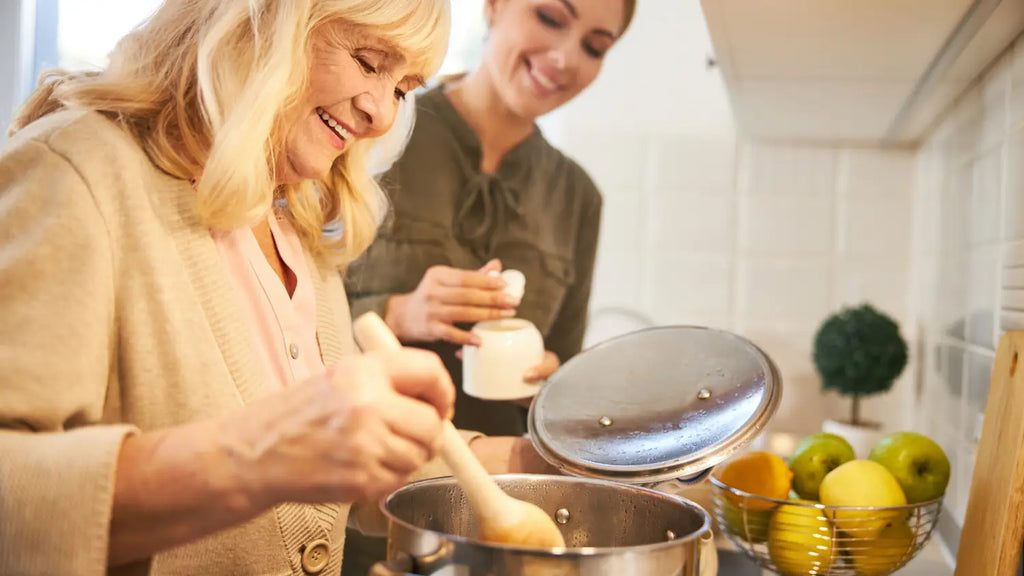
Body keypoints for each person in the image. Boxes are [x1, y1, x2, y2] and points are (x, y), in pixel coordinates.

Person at [0, 1, 550, 574]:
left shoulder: (290, 219)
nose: (381, 115)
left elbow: (341, 471)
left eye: (404, 89)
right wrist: (256, 457)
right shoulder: (74, 173)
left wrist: (539, 461)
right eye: (367, 62)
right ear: (258, 21)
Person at [342, 0, 636, 572]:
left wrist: (554, 388)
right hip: (362, 511)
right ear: (494, 6)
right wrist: (399, 313)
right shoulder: (369, 129)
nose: (565, 57)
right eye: (551, 18)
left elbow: (564, 374)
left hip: (499, 526)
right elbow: (288, 325)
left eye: (595, 46)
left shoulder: (578, 198)